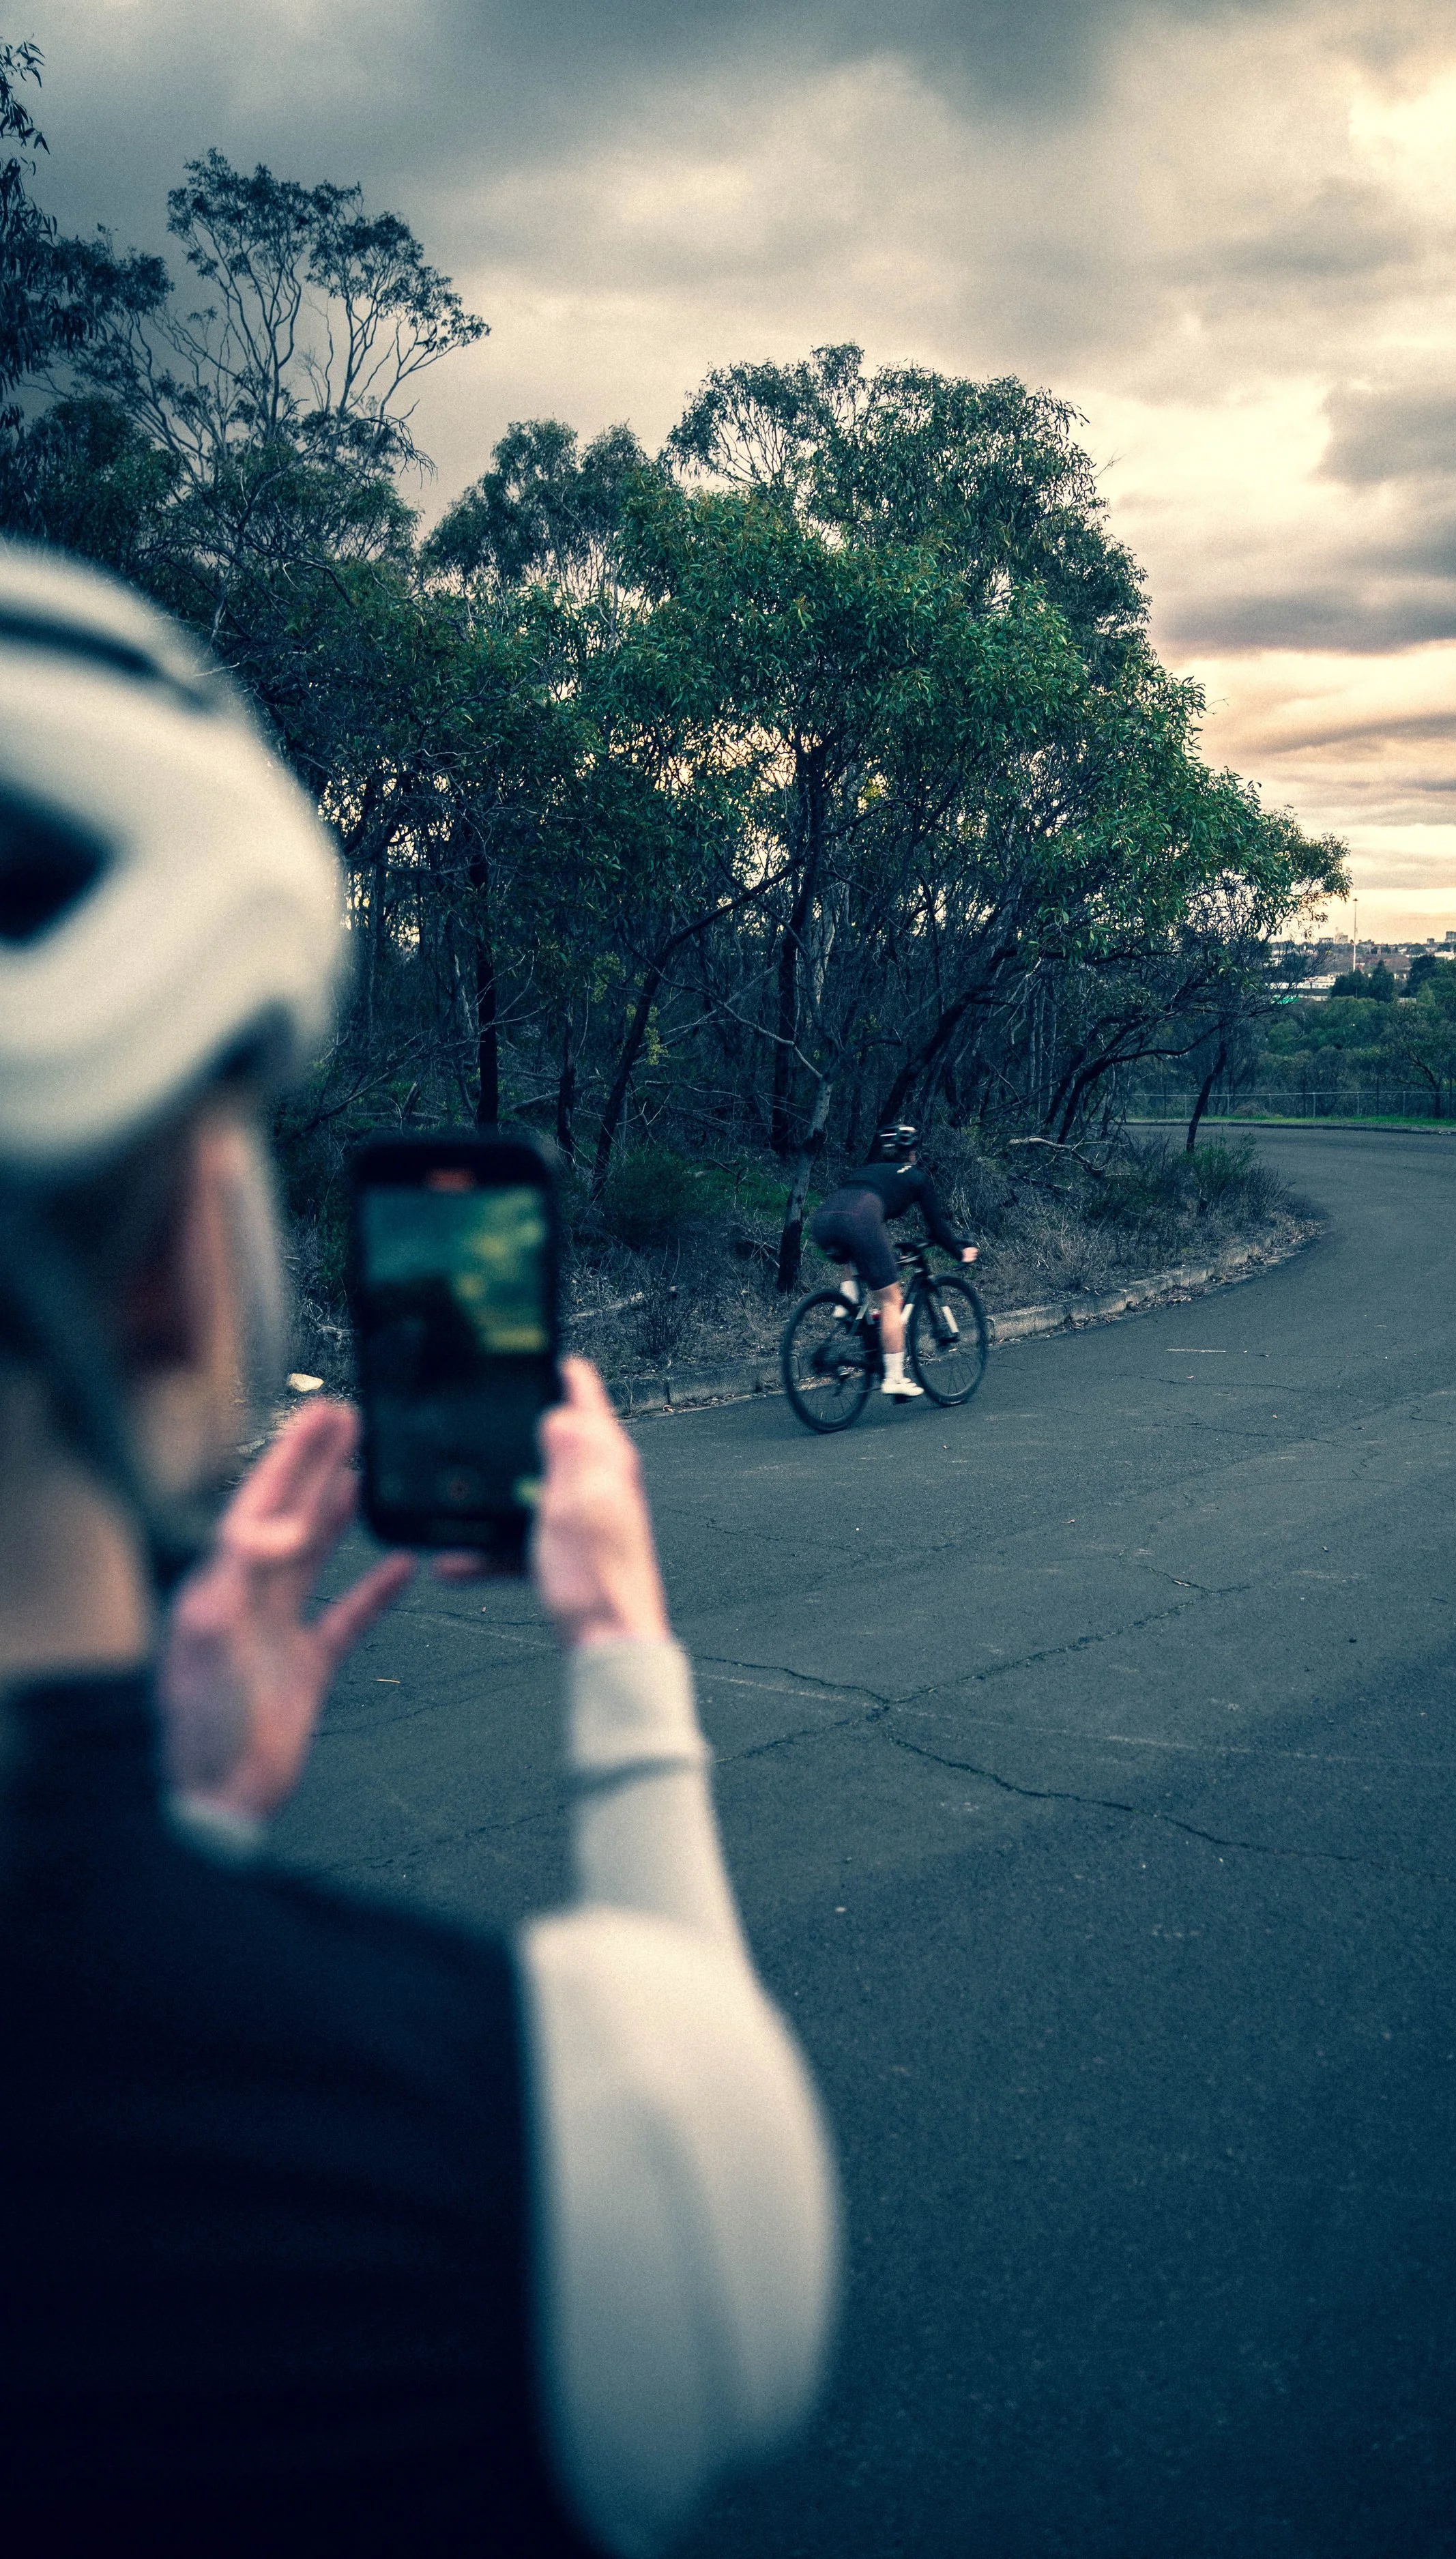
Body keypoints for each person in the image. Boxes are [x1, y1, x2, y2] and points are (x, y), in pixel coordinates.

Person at [0, 543, 839, 2556]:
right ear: (181, 1277)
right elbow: (717, 2156)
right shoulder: (561, 2143)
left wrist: (175, 1813)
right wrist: (622, 1659)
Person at [809, 1125, 978, 1400]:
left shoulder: (868, 1171)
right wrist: (960, 1253)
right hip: (859, 1221)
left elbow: (857, 1217)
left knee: (857, 1255)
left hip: (824, 1220)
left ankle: (847, 1303)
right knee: (890, 1300)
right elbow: (936, 1228)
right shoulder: (915, 1176)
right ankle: (895, 1378)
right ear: (911, 1152)